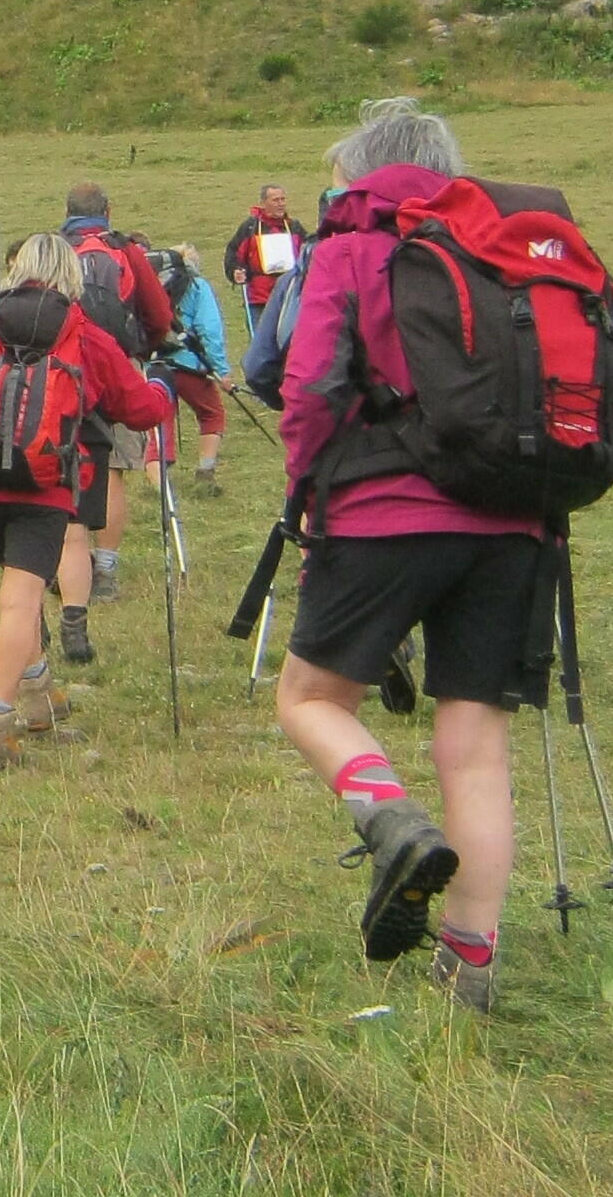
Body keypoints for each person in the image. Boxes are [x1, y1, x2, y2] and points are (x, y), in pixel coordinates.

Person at [269, 100, 548, 1016]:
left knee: (311, 699)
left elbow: (311, 385)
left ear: (361, 174)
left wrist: (306, 487)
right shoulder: (508, 250)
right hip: (513, 520)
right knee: (476, 748)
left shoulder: (353, 247)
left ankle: (391, 821)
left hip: (381, 511)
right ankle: (470, 967)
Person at [0, 234, 172, 772]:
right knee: (21, 601)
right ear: (70, 273)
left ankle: (41, 700)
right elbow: (139, 410)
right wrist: (162, 390)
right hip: (43, 486)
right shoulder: (83, 335)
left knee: (21, 589)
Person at [53, 182, 177, 667]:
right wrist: (145, 347)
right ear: (107, 211)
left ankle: (65, 563)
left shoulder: (55, 249)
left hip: (59, 371)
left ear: (67, 212)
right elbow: (158, 313)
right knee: (116, 467)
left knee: (60, 463)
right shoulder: (124, 251)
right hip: (116, 367)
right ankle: (105, 568)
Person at [149, 245, 229, 493]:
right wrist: (221, 370)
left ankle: (161, 489)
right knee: (211, 413)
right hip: (189, 365)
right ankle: (205, 471)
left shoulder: (149, 287)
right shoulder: (198, 287)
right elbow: (209, 329)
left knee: (158, 425)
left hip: (152, 365)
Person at [225, 184, 303, 329]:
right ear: (263, 203)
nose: (281, 204)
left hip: (290, 296)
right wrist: (235, 271)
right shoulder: (250, 228)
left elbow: (306, 255)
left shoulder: (294, 227)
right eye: (275, 200)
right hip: (259, 299)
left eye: (283, 199)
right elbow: (234, 253)